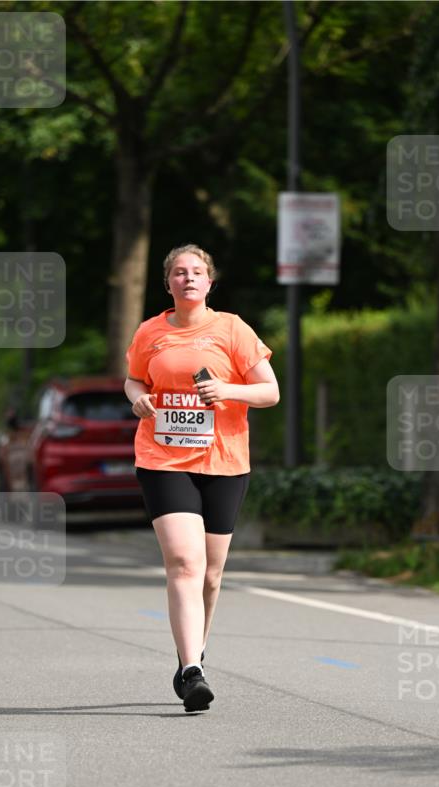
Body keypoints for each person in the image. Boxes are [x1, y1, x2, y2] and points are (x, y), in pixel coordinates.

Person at [124, 244, 280, 713]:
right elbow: (134, 379)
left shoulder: (232, 328)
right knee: (184, 564)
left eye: (196, 272)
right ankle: (192, 671)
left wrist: (227, 389)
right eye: (178, 272)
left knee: (211, 576)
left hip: (224, 461)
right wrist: (137, 398)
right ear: (167, 283)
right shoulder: (151, 331)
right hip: (162, 458)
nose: (188, 279)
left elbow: (270, 391)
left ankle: (194, 654)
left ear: (210, 283)